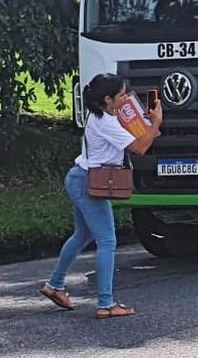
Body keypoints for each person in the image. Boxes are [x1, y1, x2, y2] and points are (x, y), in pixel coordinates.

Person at [40, 73, 163, 318]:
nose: (125, 99)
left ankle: (55, 285)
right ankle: (106, 304)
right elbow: (139, 148)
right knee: (107, 241)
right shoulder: (107, 123)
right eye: (120, 96)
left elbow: (126, 126)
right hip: (91, 184)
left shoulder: (99, 114)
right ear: (107, 99)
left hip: (80, 178)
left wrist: (141, 121)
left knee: (82, 235)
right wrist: (156, 123)